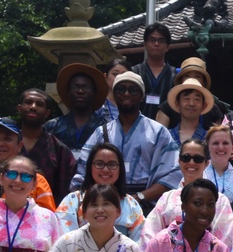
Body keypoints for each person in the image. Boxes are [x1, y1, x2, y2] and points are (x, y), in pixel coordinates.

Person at [72, 72, 180, 212]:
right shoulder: (101, 133)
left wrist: (138, 197)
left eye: (133, 90)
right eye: (121, 89)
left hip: (145, 205)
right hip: (103, 203)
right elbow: (83, 172)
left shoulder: (158, 132)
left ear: (141, 96)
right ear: (114, 94)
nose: (126, 94)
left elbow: (173, 174)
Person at [143, 139, 233, 248]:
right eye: (186, 158)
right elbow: (149, 233)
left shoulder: (220, 200)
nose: (191, 162)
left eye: (198, 159)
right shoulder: (167, 198)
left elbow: (225, 239)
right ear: (179, 161)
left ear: (206, 163)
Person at [56, 142, 144, 242]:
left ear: (120, 169)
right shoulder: (73, 201)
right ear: (90, 166)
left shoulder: (131, 204)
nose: (105, 169)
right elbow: (65, 242)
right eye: (99, 164)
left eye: (112, 164)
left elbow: (140, 245)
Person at [16, 88, 77, 204]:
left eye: (39, 104)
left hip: (45, 215)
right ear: (19, 108)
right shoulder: (7, 145)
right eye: (28, 102)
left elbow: (65, 193)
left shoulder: (59, 150)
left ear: (47, 113)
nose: (33, 107)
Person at [45, 63, 108, 156]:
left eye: (85, 87)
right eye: (76, 87)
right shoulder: (52, 126)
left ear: (94, 92)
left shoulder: (106, 128)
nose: (80, 91)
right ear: (68, 91)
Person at [156, 57, 229, 131]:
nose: (192, 79)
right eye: (187, 76)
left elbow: (218, 138)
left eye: (197, 76)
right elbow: (160, 137)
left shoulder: (214, 109)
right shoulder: (167, 107)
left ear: (204, 81)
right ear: (181, 79)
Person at [131, 22, 174, 119]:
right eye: (152, 40)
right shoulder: (134, 72)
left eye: (161, 40)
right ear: (145, 44)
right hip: (136, 127)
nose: (156, 44)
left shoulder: (175, 75)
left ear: (167, 46)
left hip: (167, 129)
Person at [165, 78, 214, 145]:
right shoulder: (166, 136)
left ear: (204, 106)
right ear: (177, 104)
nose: (191, 104)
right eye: (186, 99)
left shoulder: (210, 138)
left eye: (197, 99)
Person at [96, 58, 130, 123]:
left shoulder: (133, 103)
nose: (119, 78)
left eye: (124, 74)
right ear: (105, 77)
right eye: (115, 74)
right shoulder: (98, 105)